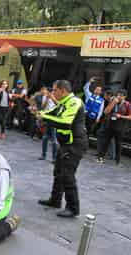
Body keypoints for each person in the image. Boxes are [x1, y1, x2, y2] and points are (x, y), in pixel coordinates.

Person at [38, 80, 87, 218]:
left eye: (54, 90)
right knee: (58, 172)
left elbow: (66, 123)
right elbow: (51, 113)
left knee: (67, 175)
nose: (53, 93)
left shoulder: (74, 102)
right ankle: (55, 200)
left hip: (75, 144)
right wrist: (41, 114)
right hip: (65, 144)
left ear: (62, 90)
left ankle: (73, 208)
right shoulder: (63, 103)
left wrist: (44, 117)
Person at [97, 89, 131, 165]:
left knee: (118, 144)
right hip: (110, 125)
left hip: (120, 127)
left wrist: (121, 116)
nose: (119, 97)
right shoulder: (113, 102)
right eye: (118, 95)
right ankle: (101, 157)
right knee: (105, 142)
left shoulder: (127, 104)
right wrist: (113, 103)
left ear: (124, 97)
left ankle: (117, 160)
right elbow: (106, 112)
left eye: (121, 95)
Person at [38, 86, 58, 161]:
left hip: (55, 119)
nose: (49, 93)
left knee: (54, 140)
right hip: (47, 119)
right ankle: (43, 155)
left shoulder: (56, 97)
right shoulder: (45, 97)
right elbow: (43, 106)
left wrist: (52, 98)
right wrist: (47, 98)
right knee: (45, 137)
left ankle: (54, 158)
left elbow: (58, 105)